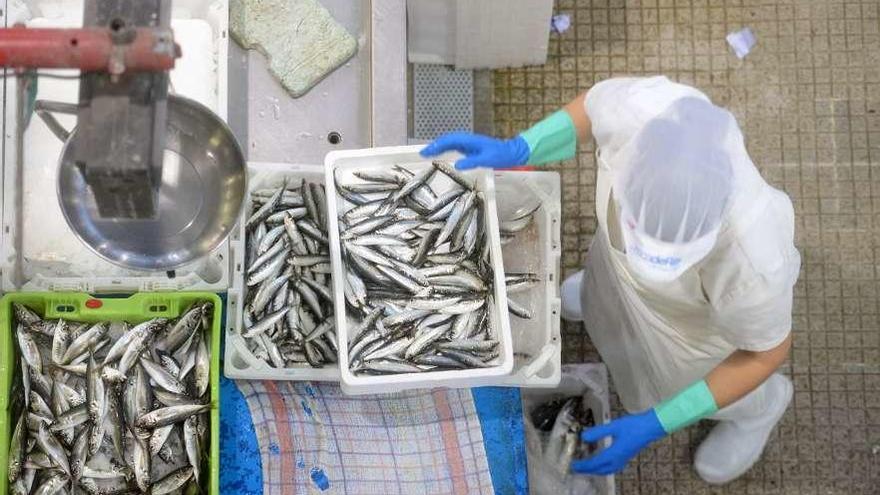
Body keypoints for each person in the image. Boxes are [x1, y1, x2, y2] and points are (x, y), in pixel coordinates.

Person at [420, 76, 800, 484]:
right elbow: (591, 109)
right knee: (599, 299)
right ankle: (597, 296)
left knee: (676, 381)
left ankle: (761, 409)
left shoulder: (757, 259)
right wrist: (524, 147)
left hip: (690, 334)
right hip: (613, 269)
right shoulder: (646, 112)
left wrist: (659, 421)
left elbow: (765, 353)